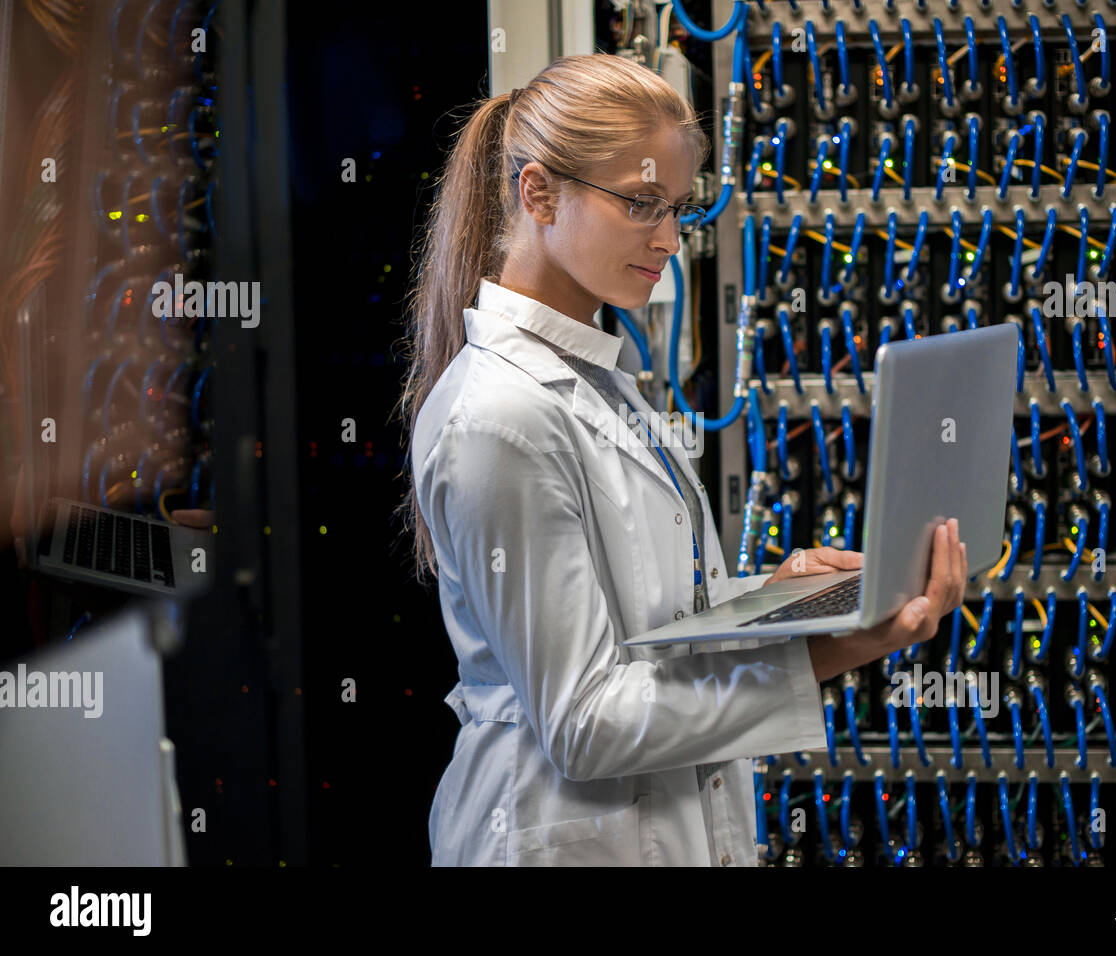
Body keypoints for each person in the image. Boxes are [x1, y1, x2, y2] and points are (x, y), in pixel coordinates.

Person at [394, 54, 968, 866]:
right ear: (538, 193)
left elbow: (640, 626)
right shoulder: (502, 416)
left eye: (676, 210)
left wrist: (773, 604)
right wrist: (831, 651)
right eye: (640, 204)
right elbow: (583, 722)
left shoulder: (598, 381)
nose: (668, 239)